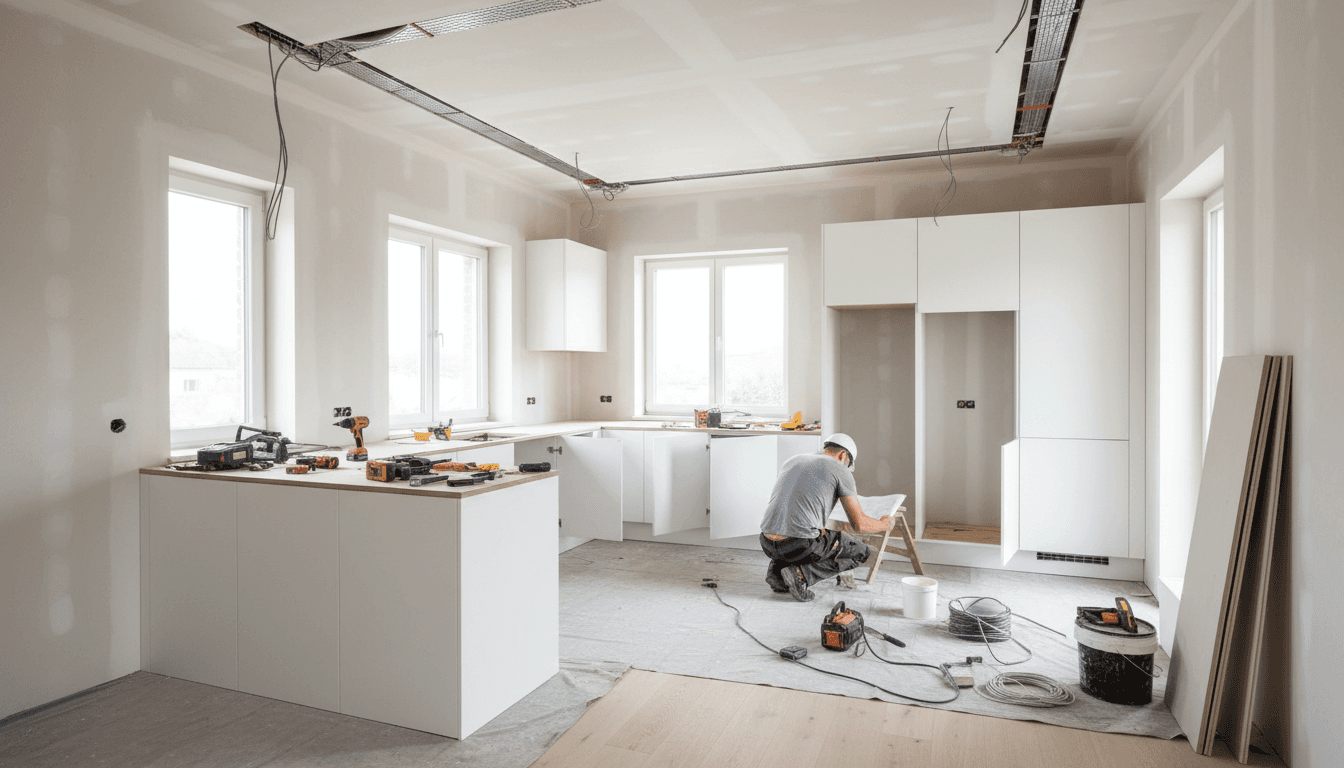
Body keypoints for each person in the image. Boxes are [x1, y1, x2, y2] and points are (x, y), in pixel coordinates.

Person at [759, 433, 892, 602]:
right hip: (798, 544)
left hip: (767, 542)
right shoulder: (840, 469)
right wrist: (884, 524)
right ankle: (800, 575)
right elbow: (859, 524)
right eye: (848, 464)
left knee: (814, 536)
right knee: (861, 552)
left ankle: (776, 576)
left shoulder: (793, 460)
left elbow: (795, 503)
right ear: (843, 455)